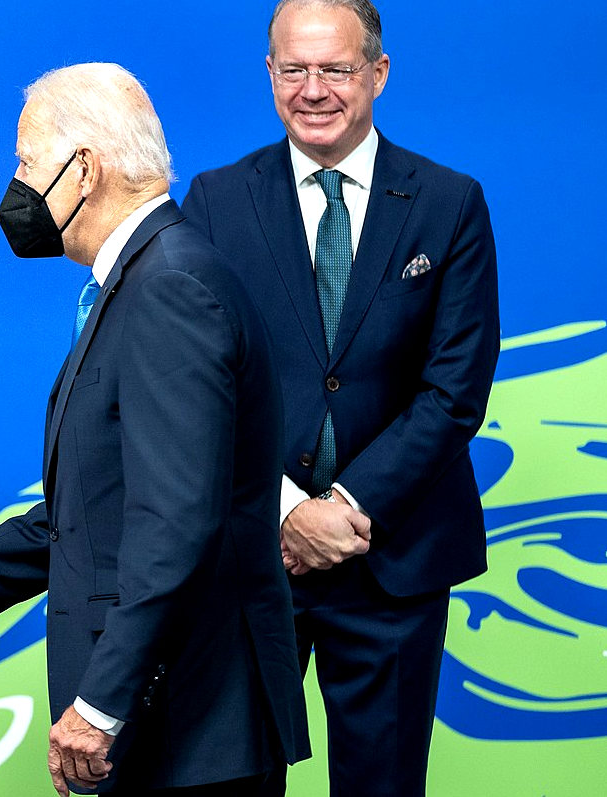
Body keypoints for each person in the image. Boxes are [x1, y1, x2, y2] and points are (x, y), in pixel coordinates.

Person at [0, 63, 309, 796]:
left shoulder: (169, 286)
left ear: (84, 170)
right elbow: (100, 506)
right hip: (178, 723)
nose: (16, 184)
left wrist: (102, 703)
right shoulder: (147, 279)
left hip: (188, 726)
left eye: (26, 161)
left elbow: (174, 522)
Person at [180, 2, 500, 795]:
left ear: (378, 75)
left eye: (336, 69)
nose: (313, 89)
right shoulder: (216, 202)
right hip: (254, 558)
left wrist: (347, 507)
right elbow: (194, 384)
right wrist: (289, 511)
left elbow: (454, 388)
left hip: (394, 558)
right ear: (270, 74)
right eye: (294, 69)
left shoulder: (448, 202)